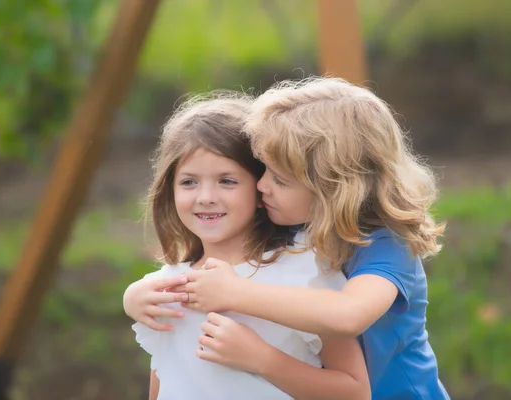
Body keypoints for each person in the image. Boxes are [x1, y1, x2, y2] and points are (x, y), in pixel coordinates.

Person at [173, 77, 451, 399]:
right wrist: (138, 298)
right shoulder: (296, 227)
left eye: (280, 179)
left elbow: (348, 315)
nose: (261, 186)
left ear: (331, 189)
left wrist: (236, 293)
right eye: (263, 170)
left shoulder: (387, 245)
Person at [126, 91, 370, 400]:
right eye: (189, 182)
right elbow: (164, 382)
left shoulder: (303, 271)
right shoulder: (164, 290)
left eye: (227, 181)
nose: (206, 197)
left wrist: (261, 359)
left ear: (261, 188)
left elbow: (355, 393)